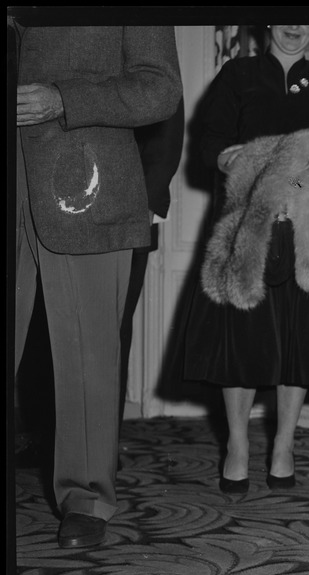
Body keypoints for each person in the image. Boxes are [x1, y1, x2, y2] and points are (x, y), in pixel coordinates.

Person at [13, 23, 183, 549]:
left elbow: (159, 88)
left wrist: (63, 99)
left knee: (87, 355)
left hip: (83, 183)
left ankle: (86, 497)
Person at [183, 24, 309, 493]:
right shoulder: (238, 74)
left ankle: (284, 444)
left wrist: (300, 185)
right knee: (242, 339)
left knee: (300, 340)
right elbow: (211, 144)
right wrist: (245, 167)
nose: (295, 26)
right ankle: (238, 444)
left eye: (307, 18)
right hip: (249, 223)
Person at [120, 98, 186, 426]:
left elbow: (166, 138)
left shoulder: (146, 50)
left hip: (128, 219)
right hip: (60, 218)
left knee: (113, 329)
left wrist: (140, 212)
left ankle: (101, 449)